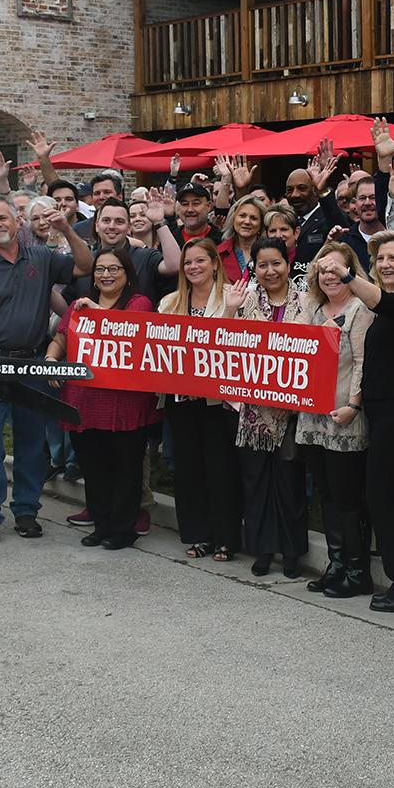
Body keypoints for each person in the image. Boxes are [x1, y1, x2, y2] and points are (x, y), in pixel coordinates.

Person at [0, 195, 92, 545]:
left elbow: (85, 265)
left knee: (30, 441)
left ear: (18, 222)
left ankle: (26, 510)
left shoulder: (40, 257)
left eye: (2, 219)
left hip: (30, 362)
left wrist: (66, 229)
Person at [323, 232, 394, 612]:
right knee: (388, 498)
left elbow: (382, 301)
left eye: (393, 259)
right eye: (380, 258)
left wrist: (348, 275)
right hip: (381, 409)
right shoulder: (383, 303)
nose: (385, 264)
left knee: (383, 497)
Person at [47, 245, 159, 551]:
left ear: (127, 274)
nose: (106, 275)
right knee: (94, 466)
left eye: (113, 269)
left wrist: (94, 311)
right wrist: (51, 358)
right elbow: (61, 335)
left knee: (126, 467)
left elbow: (128, 329)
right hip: (84, 399)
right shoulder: (80, 305)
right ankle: (102, 524)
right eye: (100, 269)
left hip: (125, 401)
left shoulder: (140, 303)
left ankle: (124, 529)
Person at [227, 239, 310, 576]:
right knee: (256, 484)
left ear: (287, 264)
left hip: (292, 412)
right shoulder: (244, 299)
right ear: (254, 268)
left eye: (276, 263)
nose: (270, 271)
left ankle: (292, 553)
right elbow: (221, 344)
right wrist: (230, 309)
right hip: (252, 413)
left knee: (290, 485)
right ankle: (262, 550)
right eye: (262, 265)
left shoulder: (307, 301)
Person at [158, 238, 242, 560]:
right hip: (182, 401)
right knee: (189, 469)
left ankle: (225, 538)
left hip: (218, 402)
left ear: (214, 263)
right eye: (188, 263)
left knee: (221, 469)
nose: (193, 267)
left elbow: (235, 344)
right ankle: (198, 535)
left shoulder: (233, 297)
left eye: (200, 261)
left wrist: (231, 312)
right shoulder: (169, 303)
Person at [298, 242, 374, 598]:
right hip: (313, 415)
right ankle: (337, 563)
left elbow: (362, 361)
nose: (328, 275)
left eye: (335, 269)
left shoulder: (361, 309)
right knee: (326, 494)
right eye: (322, 269)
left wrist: (355, 405)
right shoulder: (312, 307)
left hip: (344, 413)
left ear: (350, 272)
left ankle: (357, 571)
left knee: (346, 496)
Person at [219, 194, 266, 281]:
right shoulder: (218, 253)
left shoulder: (270, 252)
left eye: (254, 218)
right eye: (242, 216)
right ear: (233, 219)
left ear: (261, 224)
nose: (247, 221)